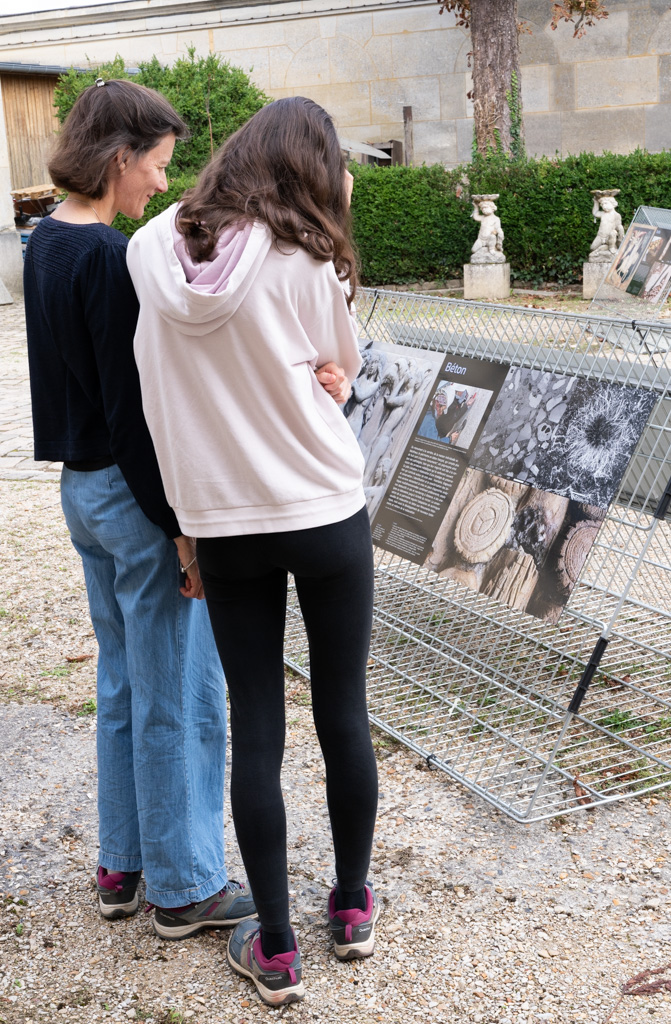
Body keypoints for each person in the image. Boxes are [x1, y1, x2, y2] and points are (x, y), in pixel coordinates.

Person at [127, 96, 380, 1007]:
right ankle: (349, 907)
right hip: (322, 510)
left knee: (256, 730)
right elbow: (336, 376)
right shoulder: (309, 258)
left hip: (224, 524)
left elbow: (160, 403)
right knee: (342, 712)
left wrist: (187, 522)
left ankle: (272, 945)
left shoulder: (149, 249)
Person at [22, 77, 262, 938]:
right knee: (181, 694)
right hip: (130, 495)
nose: (163, 184)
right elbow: (135, 413)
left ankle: (122, 864)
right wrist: (184, 531)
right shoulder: (106, 257)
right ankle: (185, 884)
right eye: (157, 167)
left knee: (124, 685)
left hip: (80, 493)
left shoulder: (45, 240)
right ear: (120, 157)